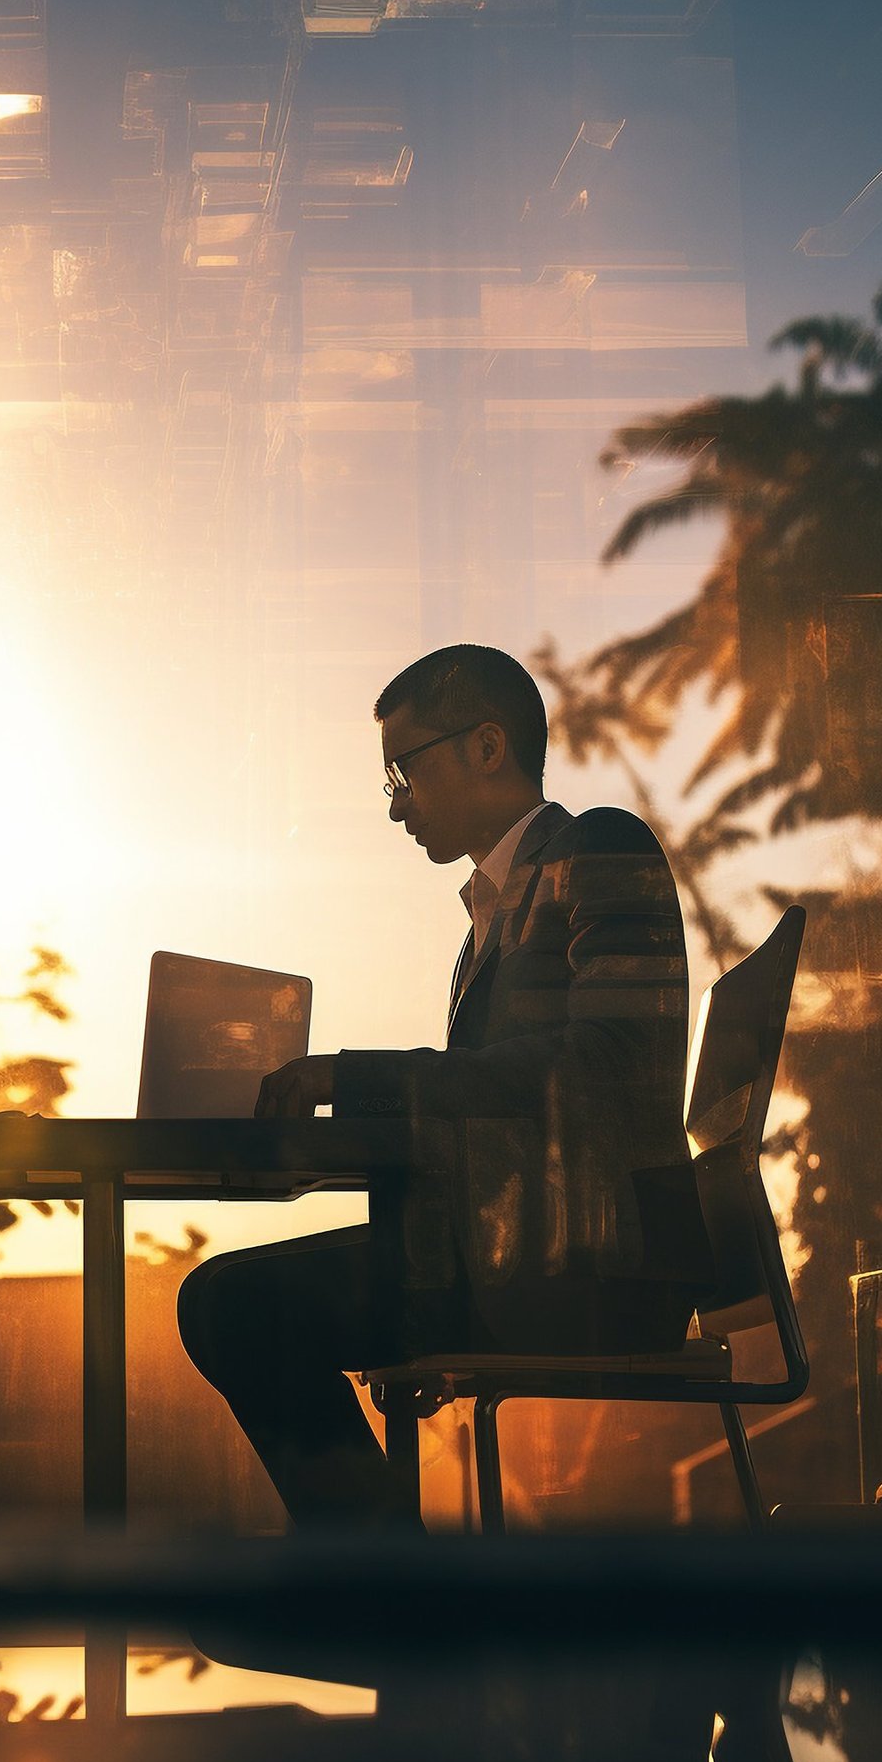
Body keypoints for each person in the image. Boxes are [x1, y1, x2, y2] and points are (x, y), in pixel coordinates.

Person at [176, 644, 706, 1525]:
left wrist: (356, 1078)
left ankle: (387, 1575)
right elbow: (489, 1114)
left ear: (487, 747)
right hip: (530, 1252)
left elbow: (612, 1066)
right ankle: (389, 1570)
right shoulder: (483, 931)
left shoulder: (601, 845)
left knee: (232, 1305)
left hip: (600, 1264)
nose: (395, 805)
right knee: (231, 1300)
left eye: (404, 771)